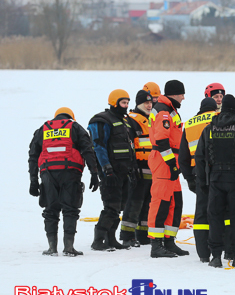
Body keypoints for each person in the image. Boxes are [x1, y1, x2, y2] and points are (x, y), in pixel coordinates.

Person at [195, 95, 235, 268]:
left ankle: (215, 256)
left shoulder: (209, 129)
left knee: (215, 217)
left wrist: (202, 182)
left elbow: (200, 157)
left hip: (215, 179)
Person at [28, 107, 99, 256]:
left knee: (50, 210)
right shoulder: (75, 127)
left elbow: (33, 155)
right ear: (71, 117)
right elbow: (88, 149)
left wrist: (33, 180)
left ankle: (52, 248)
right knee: (70, 209)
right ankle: (68, 247)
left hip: (47, 173)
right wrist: (94, 173)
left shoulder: (43, 129)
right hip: (70, 171)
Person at [88, 90, 136, 251]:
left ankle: (111, 238)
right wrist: (106, 168)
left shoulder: (125, 121)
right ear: (114, 103)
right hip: (110, 172)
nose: (126, 106)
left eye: (128, 103)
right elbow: (99, 146)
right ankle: (98, 239)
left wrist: (132, 168)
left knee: (120, 206)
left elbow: (130, 146)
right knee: (111, 206)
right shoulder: (102, 120)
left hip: (124, 171)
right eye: (123, 103)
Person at [147, 80, 189, 258]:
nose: (183, 98)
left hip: (171, 160)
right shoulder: (164, 112)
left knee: (175, 202)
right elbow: (162, 141)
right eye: (181, 94)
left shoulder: (169, 109)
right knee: (161, 202)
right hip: (164, 161)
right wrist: (171, 163)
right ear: (174, 94)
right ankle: (156, 245)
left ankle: (169, 242)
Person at [179, 97, 218, 262]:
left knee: (201, 213)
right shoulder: (220, 119)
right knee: (222, 211)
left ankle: (203, 253)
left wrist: (189, 178)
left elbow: (182, 157)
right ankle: (223, 249)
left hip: (198, 173)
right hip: (220, 171)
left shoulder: (189, 124)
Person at [120, 90, 154, 247]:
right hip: (138, 168)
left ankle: (142, 234)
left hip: (151, 168)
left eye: (150, 102)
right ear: (138, 104)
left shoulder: (150, 119)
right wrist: (132, 167)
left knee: (148, 203)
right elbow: (129, 145)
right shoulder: (131, 120)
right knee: (134, 202)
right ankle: (127, 235)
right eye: (145, 103)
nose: (149, 105)